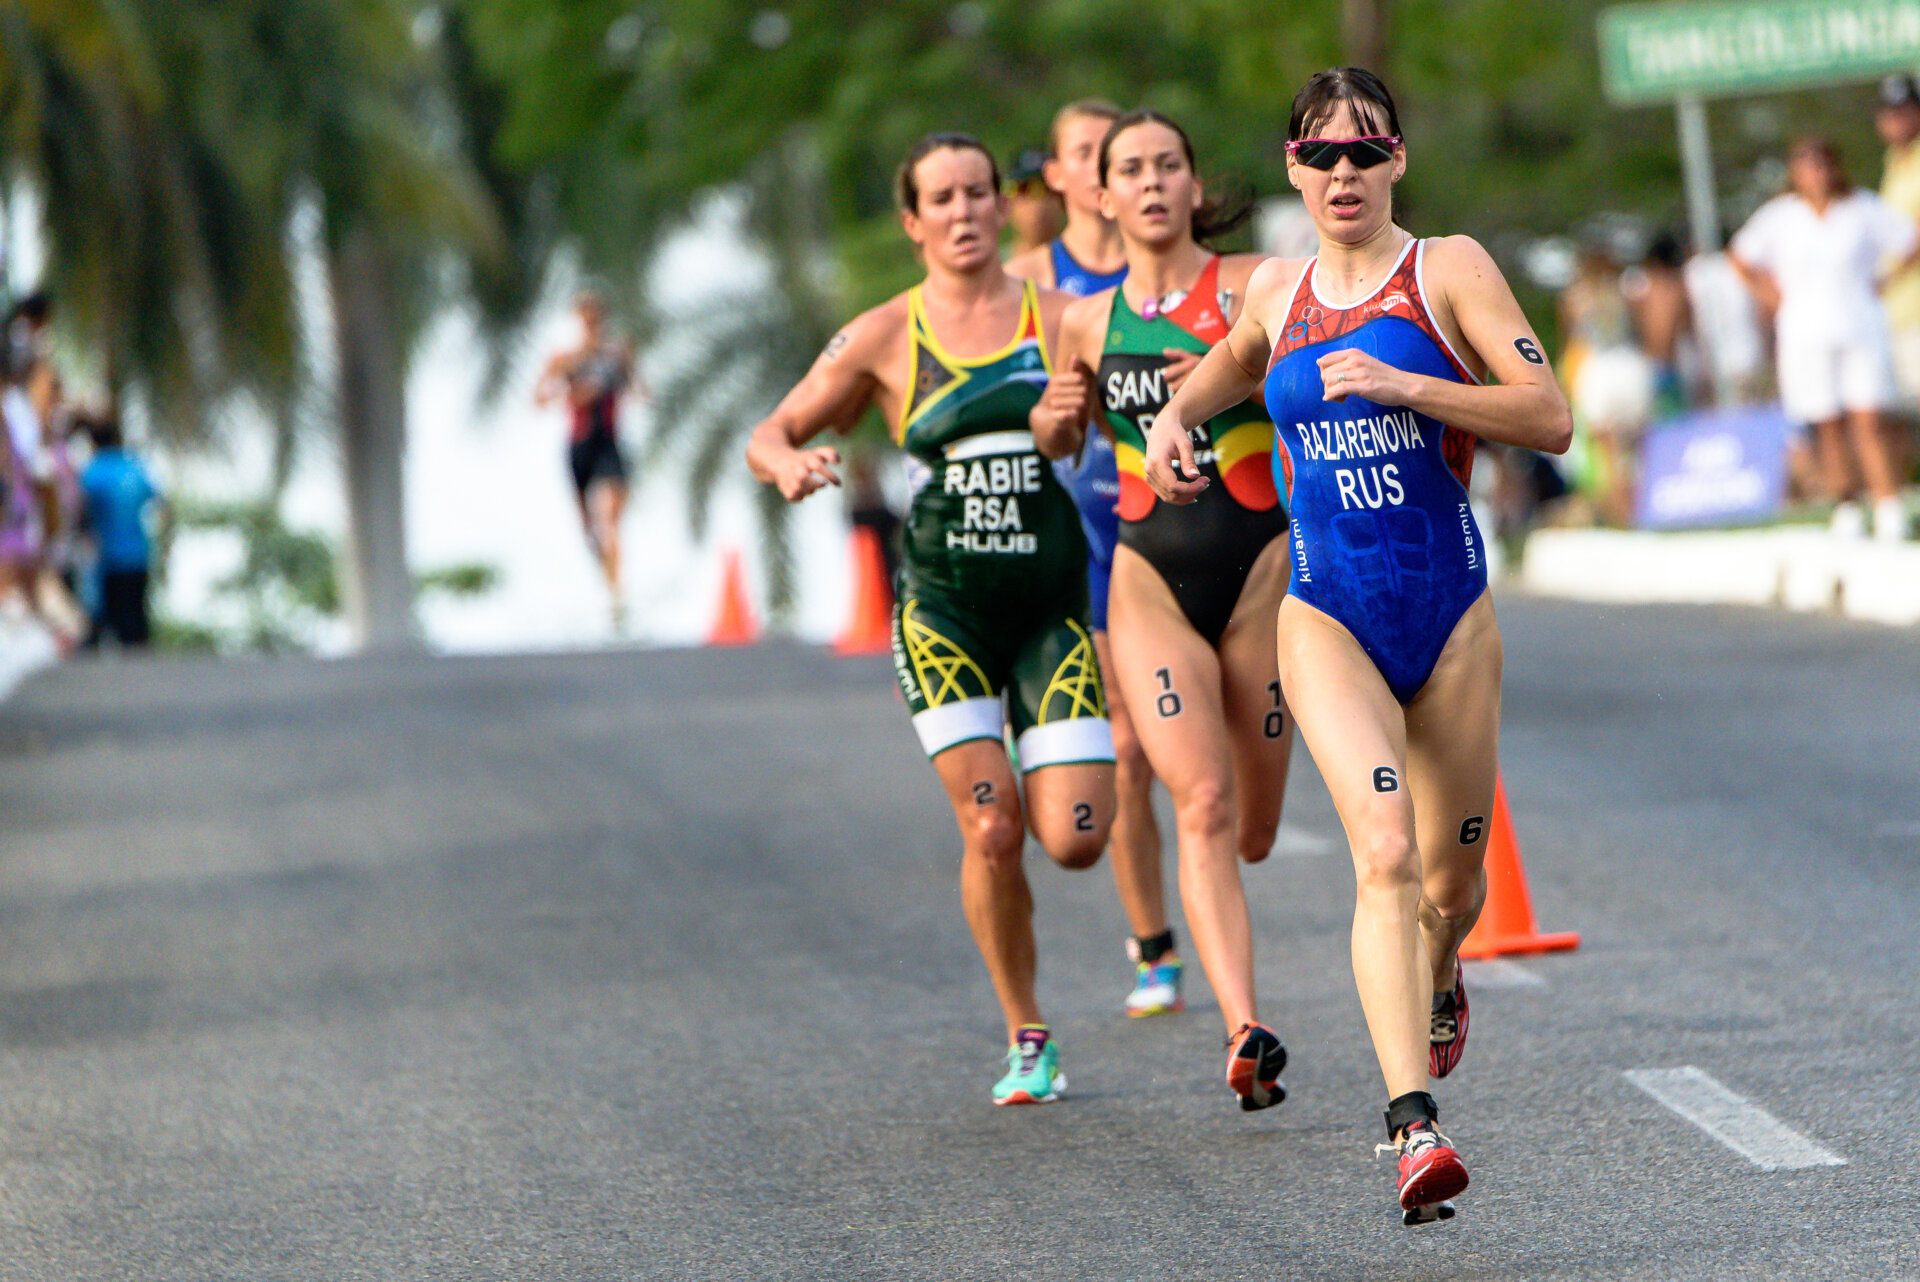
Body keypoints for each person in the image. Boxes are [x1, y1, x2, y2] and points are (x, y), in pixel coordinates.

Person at [1143, 68, 1572, 1223]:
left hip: (1451, 619)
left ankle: (1439, 977)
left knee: (1451, 880)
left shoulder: (1449, 270)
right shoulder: (1278, 290)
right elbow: (1227, 365)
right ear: (1292, 166)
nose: (1344, 174)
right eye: (1321, 155)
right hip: (1326, 615)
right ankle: (1413, 1129)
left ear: (1397, 163)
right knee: (1380, 851)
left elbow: (1550, 415)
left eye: (1366, 152)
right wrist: (1174, 423)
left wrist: (1408, 382)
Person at [746, 132, 1116, 1106]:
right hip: (944, 613)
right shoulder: (881, 335)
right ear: (913, 222)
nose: (961, 211)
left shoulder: (1066, 317)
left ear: (1002, 208)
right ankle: (1027, 1032)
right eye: (939, 197)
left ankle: (1062, 884)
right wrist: (788, 464)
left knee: (1075, 836)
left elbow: (1145, 416)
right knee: (992, 829)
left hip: (1049, 610)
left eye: (976, 193)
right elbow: (771, 429)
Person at [1035, 108, 1295, 1110]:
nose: (1150, 183)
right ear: (1100, 195)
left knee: (1259, 827)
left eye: (1168, 166)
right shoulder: (1083, 322)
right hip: (1147, 581)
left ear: (1195, 186)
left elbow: (1310, 385)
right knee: (1203, 801)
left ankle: (1238, 992)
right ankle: (1245, 1028)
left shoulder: (1247, 287)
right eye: (1129, 169)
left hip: (1260, 570)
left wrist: (1245, 372)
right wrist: (1052, 423)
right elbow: (1062, 439)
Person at [1008, 99, 1181, 1020]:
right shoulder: (1031, 283)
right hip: (1094, 525)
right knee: (1127, 745)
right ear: (1078, 180)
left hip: (1198, 520)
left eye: (1107, 151)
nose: (1099, 167)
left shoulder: (1184, 267)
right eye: (1080, 153)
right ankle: (1154, 943)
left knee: (1206, 753)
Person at [1730, 135, 1920, 542]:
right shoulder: (1781, 216)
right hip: (1805, 332)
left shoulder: (1861, 208)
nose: (1815, 172)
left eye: (1821, 163)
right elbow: (1742, 257)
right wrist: (1771, 296)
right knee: (1828, 421)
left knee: (1869, 418)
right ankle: (1846, 502)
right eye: (1806, 164)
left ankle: (1887, 502)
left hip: (1860, 326)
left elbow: (1910, 241)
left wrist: (1886, 280)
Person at [536, 292, 639, 621]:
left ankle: (616, 591)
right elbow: (540, 396)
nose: (592, 321)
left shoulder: (616, 355)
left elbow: (636, 387)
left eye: (596, 315)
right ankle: (602, 565)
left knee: (611, 517)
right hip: (579, 444)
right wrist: (572, 395)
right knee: (589, 526)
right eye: (585, 315)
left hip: (609, 442)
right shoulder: (566, 358)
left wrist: (635, 390)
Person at [1559, 244, 1652, 526]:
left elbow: (1573, 342)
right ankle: (1641, 509)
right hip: (1632, 366)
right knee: (1636, 450)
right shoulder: (1626, 291)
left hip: (1599, 370)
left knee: (1607, 453)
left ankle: (1623, 516)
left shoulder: (1574, 297)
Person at [78, 409, 163, 649]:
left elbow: (81, 512)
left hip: (109, 561)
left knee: (111, 625)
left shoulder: (92, 472)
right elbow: (157, 500)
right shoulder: (135, 467)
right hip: (139, 555)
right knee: (137, 625)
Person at [1004, 148, 1065, 259]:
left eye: (1048, 189)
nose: (1038, 204)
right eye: (1023, 189)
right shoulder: (990, 267)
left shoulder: (1088, 263)